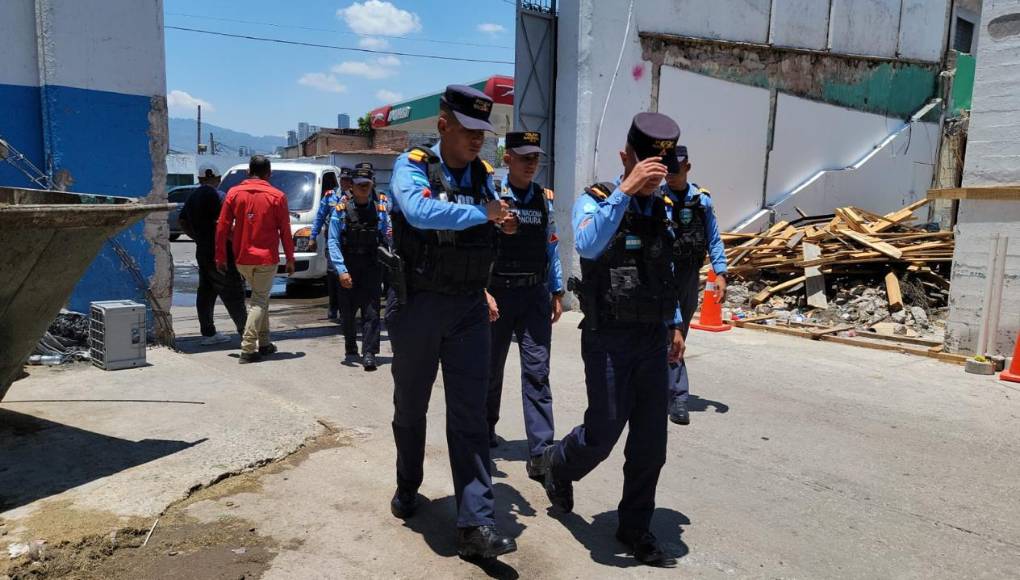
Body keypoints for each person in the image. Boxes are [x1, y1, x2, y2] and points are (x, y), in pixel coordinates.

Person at [539, 112, 686, 566]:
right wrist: (624, 191)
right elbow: (586, 245)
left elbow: (667, 271)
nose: (653, 180)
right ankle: (555, 464)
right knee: (602, 435)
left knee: (650, 443)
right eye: (646, 168)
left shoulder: (662, 209)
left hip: (650, 338)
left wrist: (676, 323)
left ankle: (635, 527)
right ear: (627, 157)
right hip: (608, 337)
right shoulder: (596, 200)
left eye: (659, 172)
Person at [385, 85, 518, 560]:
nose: (479, 140)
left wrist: (502, 222)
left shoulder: (485, 176)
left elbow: (489, 224)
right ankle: (408, 483)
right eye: (469, 131)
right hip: (418, 305)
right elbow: (419, 213)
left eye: (484, 131)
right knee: (411, 408)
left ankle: (476, 524)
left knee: (470, 417)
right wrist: (482, 213)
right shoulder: (414, 166)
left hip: (467, 308)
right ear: (444, 126)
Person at [484, 131, 564, 482]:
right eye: (524, 157)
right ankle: (485, 428)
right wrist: (480, 291)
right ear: (508, 160)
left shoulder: (544, 199)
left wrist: (557, 290)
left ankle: (540, 452)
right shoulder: (492, 196)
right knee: (490, 368)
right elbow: (478, 245)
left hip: (534, 294)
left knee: (537, 372)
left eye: (535, 158)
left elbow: (551, 245)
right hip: (497, 294)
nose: (531, 164)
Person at [661, 146, 728, 425]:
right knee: (665, 333)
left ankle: (666, 390)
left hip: (687, 276)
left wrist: (721, 272)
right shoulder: (655, 199)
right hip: (660, 275)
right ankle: (677, 395)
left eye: (676, 171)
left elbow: (713, 238)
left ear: (688, 168)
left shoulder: (702, 202)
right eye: (667, 170)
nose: (671, 176)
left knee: (679, 334)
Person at [215, 155, 296, 364]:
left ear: (248, 171)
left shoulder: (234, 193)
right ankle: (248, 348)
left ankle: (265, 342)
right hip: (265, 259)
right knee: (259, 301)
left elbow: (222, 227)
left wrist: (220, 256)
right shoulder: (277, 196)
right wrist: (289, 258)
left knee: (262, 298)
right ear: (269, 173)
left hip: (241, 258)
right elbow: (285, 231)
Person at [328, 165, 390, 371]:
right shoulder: (341, 210)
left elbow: (388, 237)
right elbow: (333, 241)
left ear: (372, 185)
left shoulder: (380, 210)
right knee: (347, 311)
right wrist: (341, 269)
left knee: (372, 311)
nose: (364, 187)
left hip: (372, 266)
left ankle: (370, 352)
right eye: (359, 185)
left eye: (367, 184)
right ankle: (350, 346)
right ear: (351, 188)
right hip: (349, 264)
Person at [178, 166, 247, 345]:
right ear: (217, 178)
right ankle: (247, 334)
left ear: (200, 179)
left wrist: (198, 237)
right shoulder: (220, 196)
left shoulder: (192, 197)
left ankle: (208, 333)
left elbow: (182, 221)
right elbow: (228, 224)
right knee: (233, 292)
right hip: (220, 251)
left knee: (206, 292)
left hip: (203, 250)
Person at [308, 167, 348, 320]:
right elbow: (319, 217)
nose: (345, 182)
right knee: (332, 272)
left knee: (346, 273)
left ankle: (346, 307)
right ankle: (333, 306)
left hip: (349, 241)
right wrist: (312, 237)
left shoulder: (353, 197)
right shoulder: (330, 197)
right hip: (332, 240)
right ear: (339, 180)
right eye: (343, 179)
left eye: (348, 180)